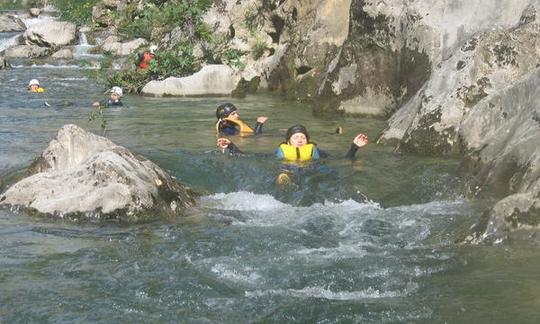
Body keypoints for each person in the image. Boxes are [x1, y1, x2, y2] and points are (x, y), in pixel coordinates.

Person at [217, 124, 368, 185]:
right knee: (283, 172)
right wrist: (231, 146)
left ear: (308, 140)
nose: (300, 140)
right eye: (296, 137)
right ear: (288, 142)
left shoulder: (316, 151)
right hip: (288, 168)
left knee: (330, 172)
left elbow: (343, 159)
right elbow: (251, 156)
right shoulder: (280, 152)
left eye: (303, 137)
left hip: (312, 170)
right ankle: (284, 181)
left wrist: (354, 147)